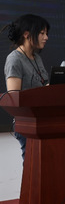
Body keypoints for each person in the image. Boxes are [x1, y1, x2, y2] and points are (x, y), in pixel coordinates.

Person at [2, 14, 50, 159]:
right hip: (27, 123)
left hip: (43, 121)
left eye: (46, 33)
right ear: (27, 34)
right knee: (33, 166)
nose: (46, 37)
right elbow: (14, 98)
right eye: (42, 33)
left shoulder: (37, 58)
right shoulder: (14, 59)